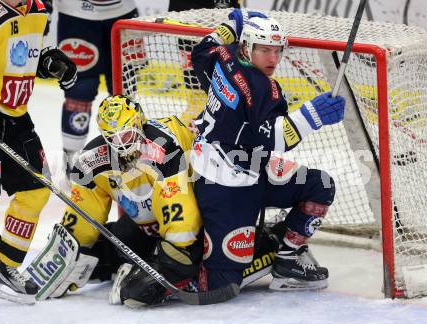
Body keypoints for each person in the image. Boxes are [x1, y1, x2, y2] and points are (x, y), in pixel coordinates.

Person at [190, 9, 345, 295]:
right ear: (248, 46)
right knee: (221, 287)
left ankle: (286, 259)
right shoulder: (261, 88)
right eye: (264, 50)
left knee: (319, 185)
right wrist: (313, 115)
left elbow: (201, 50)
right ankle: (248, 249)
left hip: (249, 168)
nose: (273, 59)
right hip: (225, 187)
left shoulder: (223, 54)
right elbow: (275, 138)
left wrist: (233, 23)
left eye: (277, 50)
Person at [23, 95, 204, 306]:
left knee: (137, 293)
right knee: (114, 245)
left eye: (126, 134)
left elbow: (182, 224)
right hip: (147, 225)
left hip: (196, 224)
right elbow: (85, 212)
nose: (122, 143)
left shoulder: (164, 148)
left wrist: (167, 262)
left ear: (139, 123)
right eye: (113, 137)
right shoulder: (91, 161)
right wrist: (70, 251)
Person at [0, 0, 77, 304]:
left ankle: (5, 264)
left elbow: (24, 57)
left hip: (16, 119)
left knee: (36, 190)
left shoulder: (39, 11)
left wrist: (51, 64)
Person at [55, 0, 139, 177]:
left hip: (123, 10)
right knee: (79, 92)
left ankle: (128, 158)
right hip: (76, 14)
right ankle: (72, 162)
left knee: (125, 94)